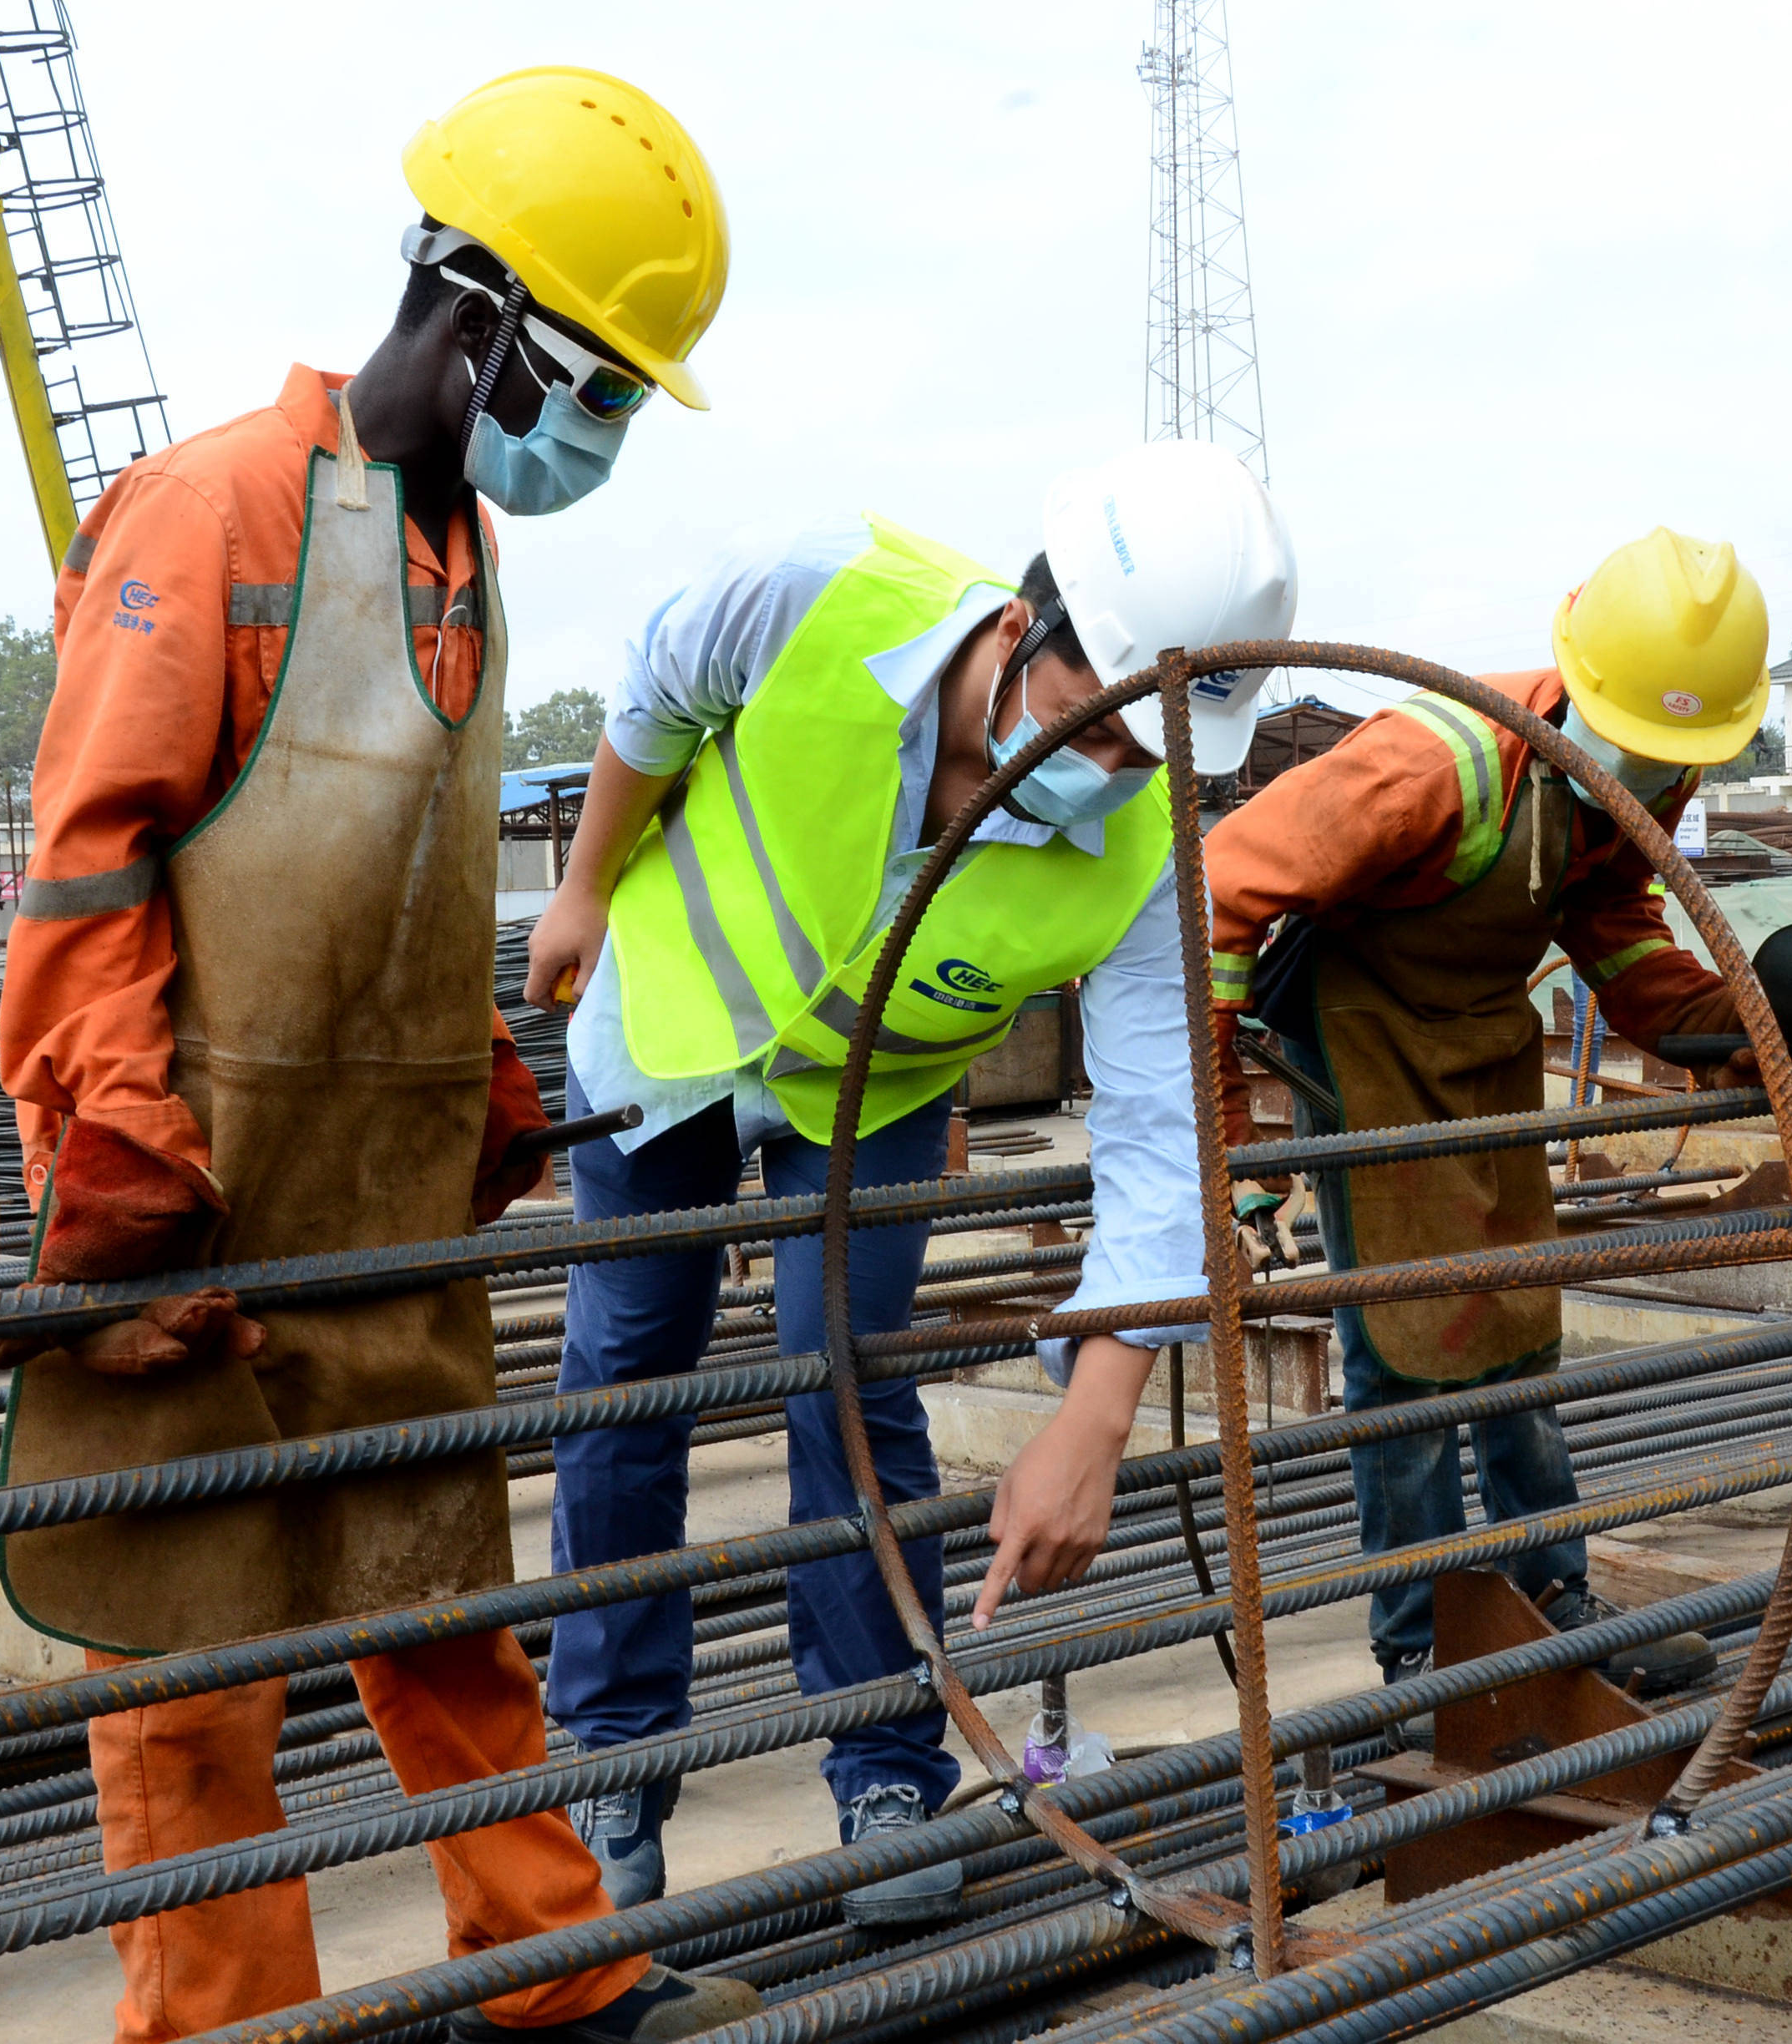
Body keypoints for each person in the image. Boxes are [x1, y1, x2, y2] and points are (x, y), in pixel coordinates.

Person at [0, 71, 754, 2044]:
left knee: (444, 1603)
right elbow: (94, 859)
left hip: (381, 1202)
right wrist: (119, 1149)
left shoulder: (457, 545)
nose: (592, 436)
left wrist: (481, 1078)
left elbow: (385, 861)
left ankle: (559, 1971)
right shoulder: (215, 508)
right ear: (481, 317)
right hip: (199, 1187)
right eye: (593, 387)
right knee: (196, 1671)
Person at [524, 441, 1296, 1924]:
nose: (1108, 769)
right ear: (1019, 628)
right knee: (628, 1369)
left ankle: (883, 1768)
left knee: (847, 1376)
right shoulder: (820, 594)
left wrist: (1099, 1401)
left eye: (1146, 751)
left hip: (869, 1096)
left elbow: (1157, 1131)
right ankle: (611, 1751)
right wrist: (578, 884)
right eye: (1089, 719)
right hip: (666, 1032)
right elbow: (658, 692)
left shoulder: (1142, 850)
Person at [1199, 529, 1775, 1715]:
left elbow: (1620, 938)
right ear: (1580, 685)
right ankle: (1424, 1645)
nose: (1663, 775)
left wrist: (1754, 1030)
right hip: (1363, 1044)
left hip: (1483, 1044)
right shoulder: (1437, 762)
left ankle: (1547, 1596)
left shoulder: (1651, 767)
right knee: (1407, 1357)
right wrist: (1231, 1151)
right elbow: (1217, 891)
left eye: (1683, 754)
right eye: (1647, 747)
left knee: (1517, 1324)